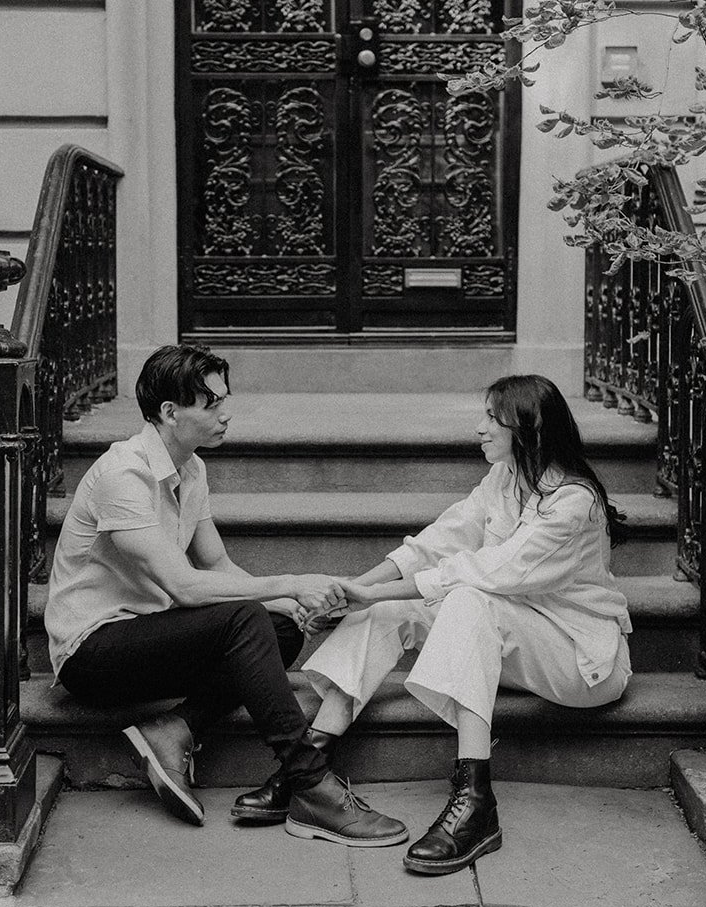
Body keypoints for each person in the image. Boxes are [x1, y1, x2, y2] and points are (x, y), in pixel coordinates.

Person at [44, 343, 408, 848]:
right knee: (245, 621)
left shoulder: (190, 468)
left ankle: (174, 729)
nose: (225, 414)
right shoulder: (122, 475)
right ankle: (309, 783)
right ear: (170, 413)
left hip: (150, 635)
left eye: (223, 400)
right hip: (92, 652)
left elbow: (216, 564)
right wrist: (290, 583)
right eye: (211, 403)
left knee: (277, 630)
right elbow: (185, 584)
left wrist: (293, 606)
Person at [292, 375, 633, 875]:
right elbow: (437, 542)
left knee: (470, 598)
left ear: (529, 427)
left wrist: (371, 591)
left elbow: (486, 572)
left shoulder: (573, 501)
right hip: (517, 640)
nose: (479, 428)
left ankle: (475, 801)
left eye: (493, 419)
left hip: (581, 662)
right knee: (390, 609)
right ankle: (311, 768)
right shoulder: (506, 477)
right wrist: (353, 592)